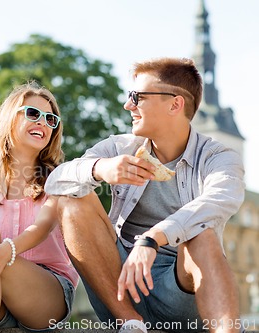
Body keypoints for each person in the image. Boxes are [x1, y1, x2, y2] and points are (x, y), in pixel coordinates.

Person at [45, 58, 244, 333]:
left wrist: (153, 238)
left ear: (175, 104)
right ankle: (131, 323)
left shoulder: (219, 157)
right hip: (119, 290)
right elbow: (53, 183)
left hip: (181, 296)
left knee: (203, 234)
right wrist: (99, 168)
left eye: (137, 97)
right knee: (71, 199)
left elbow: (218, 201)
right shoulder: (119, 148)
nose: (128, 105)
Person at [0, 82, 79, 333]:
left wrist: (4, 252)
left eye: (51, 119)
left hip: (45, 296)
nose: (43, 123)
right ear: (10, 119)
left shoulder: (57, 178)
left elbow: (41, 228)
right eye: (33, 113)